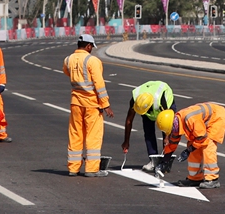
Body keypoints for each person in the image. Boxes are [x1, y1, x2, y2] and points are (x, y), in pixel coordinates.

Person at [63, 34, 113, 176]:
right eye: (91, 47)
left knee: (75, 134)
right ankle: (91, 169)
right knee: (93, 136)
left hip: (75, 103)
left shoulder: (68, 60)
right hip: (92, 104)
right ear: (88, 46)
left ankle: (73, 168)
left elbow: (67, 72)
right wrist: (106, 105)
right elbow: (99, 84)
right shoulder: (92, 61)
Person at [156, 103, 225, 189]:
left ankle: (212, 179)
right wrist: (165, 160)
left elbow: (202, 137)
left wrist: (188, 150)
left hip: (216, 117)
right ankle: (195, 178)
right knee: (193, 146)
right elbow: (173, 143)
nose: (172, 131)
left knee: (208, 146)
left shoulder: (190, 119)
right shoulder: (176, 122)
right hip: (203, 123)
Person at [120, 80, 175, 173]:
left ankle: (166, 161)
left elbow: (169, 122)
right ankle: (153, 160)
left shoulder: (161, 100)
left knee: (167, 132)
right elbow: (129, 120)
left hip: (165, 104)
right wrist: (126, 141)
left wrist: (167, 137)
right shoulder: (136, 100)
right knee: (148, 131)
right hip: (148, 101)